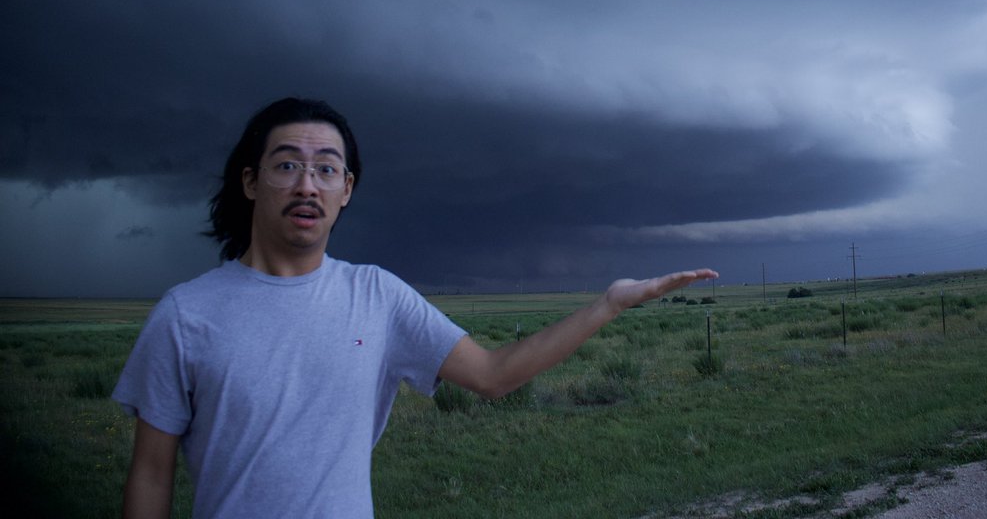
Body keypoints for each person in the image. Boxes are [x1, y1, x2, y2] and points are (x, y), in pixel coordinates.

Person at [113, 97, 717, 519]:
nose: (308, 185)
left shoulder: (376, 295)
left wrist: (608, 304)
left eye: (327, 169)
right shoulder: (186, 315)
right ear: (251, 181)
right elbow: (151, 474)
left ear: (346, 191)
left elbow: (492, 375)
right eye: (288, 164)